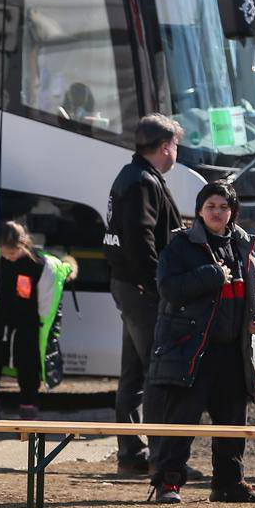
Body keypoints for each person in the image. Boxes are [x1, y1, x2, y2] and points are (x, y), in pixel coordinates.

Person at [144, 181, 255, 504]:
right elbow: (169, 290)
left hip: (232, 352)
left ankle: (229, 484)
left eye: (224, 207)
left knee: (232, 423)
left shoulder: (244, 246)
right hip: (190, 350)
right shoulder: (180, 246)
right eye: (211, 206)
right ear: (200, 210)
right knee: (180, 423)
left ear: (233, 213)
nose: (217, 212)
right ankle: (168, 483)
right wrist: (212, 275)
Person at [104, 114, 184, 475]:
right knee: (156, 370)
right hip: (142, 289)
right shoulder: (142, 181)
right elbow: (142, 239)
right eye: (176, 146)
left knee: (134, 372)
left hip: (129, 285)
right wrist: (158, 284)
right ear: (166, 147)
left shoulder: (133, 176)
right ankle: (158, 457)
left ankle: (132, 454)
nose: (176, 153)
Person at [0, 221, 73, 433]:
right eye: (4, 252)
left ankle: (28, 419)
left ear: (23, 244)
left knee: (29, 369)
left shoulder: (42, 265)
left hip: (29, 322)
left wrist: (43, 326)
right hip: (0, 318)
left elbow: (45, 304)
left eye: (12, 252)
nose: (8, 256)